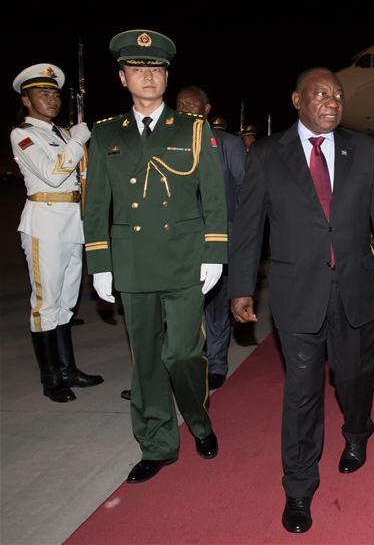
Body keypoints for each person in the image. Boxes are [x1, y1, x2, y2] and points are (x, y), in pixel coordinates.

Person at [229, 68, 374, 534]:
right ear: (297, 100)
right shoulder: (267, 155)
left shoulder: (364, 150)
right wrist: (241, 286)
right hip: (297, 294)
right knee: (301, 393)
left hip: (354, 288)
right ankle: (299, 486)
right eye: (321, 94)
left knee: (353, 378)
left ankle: (358, 430)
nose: (333, 101)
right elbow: (249, 227)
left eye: (338, 95)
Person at [83, 30, 225, 484]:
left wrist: (214, 252)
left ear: (167, 75)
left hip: (184, 260)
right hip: (133, 263)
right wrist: (100, 263)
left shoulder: (194, 129)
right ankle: (157, 443)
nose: (149, 75)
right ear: (123, 77)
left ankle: (198, 422)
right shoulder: (106, 135)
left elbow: (214, 197)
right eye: (138, 68)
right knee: (145, 360)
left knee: (183, 353)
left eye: (157, 68)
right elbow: (95, 204)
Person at [10, 63, 102, 403]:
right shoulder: (23, 134)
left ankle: (68, 369)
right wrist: (78, 140)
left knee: (66, 303)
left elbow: (84, 174)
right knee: (46, 303)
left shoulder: (61, 134)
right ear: (26, 99)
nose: (51, 99)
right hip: (44, 224)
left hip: (72, 222)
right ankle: (51, 378)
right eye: (42, 93)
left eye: (54, 93)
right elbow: (53, 172)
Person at [176, 86, 246, 389]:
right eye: (180, 107)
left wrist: (244, 242)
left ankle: (216, 363)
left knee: (216, 306)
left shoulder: (227, 144)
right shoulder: (169, 143)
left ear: (206, 109)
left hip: (219, 238)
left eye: (193, 107)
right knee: (183, 307)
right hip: (180, 240)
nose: (186, 112)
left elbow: (246, 193)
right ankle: (187, 361)